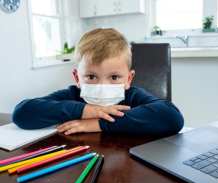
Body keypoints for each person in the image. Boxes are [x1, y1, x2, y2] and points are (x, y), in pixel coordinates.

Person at [13, 28, 184, 136]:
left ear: (129, 79)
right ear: (77, 78)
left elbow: (172, 117)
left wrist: (99, 123)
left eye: (114, 77)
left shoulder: (133, 96)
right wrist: (85, 110)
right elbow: (22, 113)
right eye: (91, 77)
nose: (103, 87)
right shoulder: (72, 95)